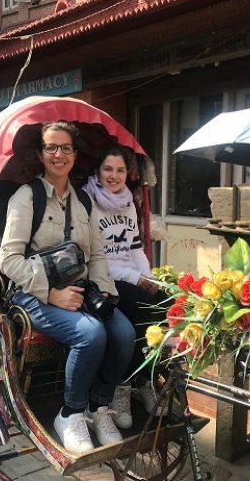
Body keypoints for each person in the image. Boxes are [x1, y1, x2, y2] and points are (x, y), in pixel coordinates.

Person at [0, 121, 136, 454]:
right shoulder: (27, 197)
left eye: (66, 148)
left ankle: (98, 406)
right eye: (51, 147)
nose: (59, 154)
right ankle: (70, 412)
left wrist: (103, 291)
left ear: (74, 154)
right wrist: (52, 293)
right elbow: (8, 260)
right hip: (32, 295)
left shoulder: (84, 202)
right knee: (91, 334)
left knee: (125, 334)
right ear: (41, 153)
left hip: (80, 290)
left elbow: (98, 254)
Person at [84, 145, 167, 430]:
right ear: (97, 171)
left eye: (120, 170)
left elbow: (135, 248)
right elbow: (96, 255)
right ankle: (122, 385)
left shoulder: (128, 202)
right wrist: (135, 280)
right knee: (141, 308)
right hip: (102, 277)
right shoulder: (87, 200)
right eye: (107, 169)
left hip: (129, 273)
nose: (114, 175)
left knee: (167, 306)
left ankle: (145, 380)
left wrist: (149, 278)